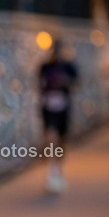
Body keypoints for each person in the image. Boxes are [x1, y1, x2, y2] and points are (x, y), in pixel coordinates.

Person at [38, 39, 77, 193]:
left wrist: (65, 82)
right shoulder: (45, 67)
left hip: (63, 108)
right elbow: (39, 85)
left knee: (61, 141)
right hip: (48, 107)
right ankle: (51, 170)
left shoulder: (69, 67)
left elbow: (76, 83)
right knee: (50, 137)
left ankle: (59, 169)